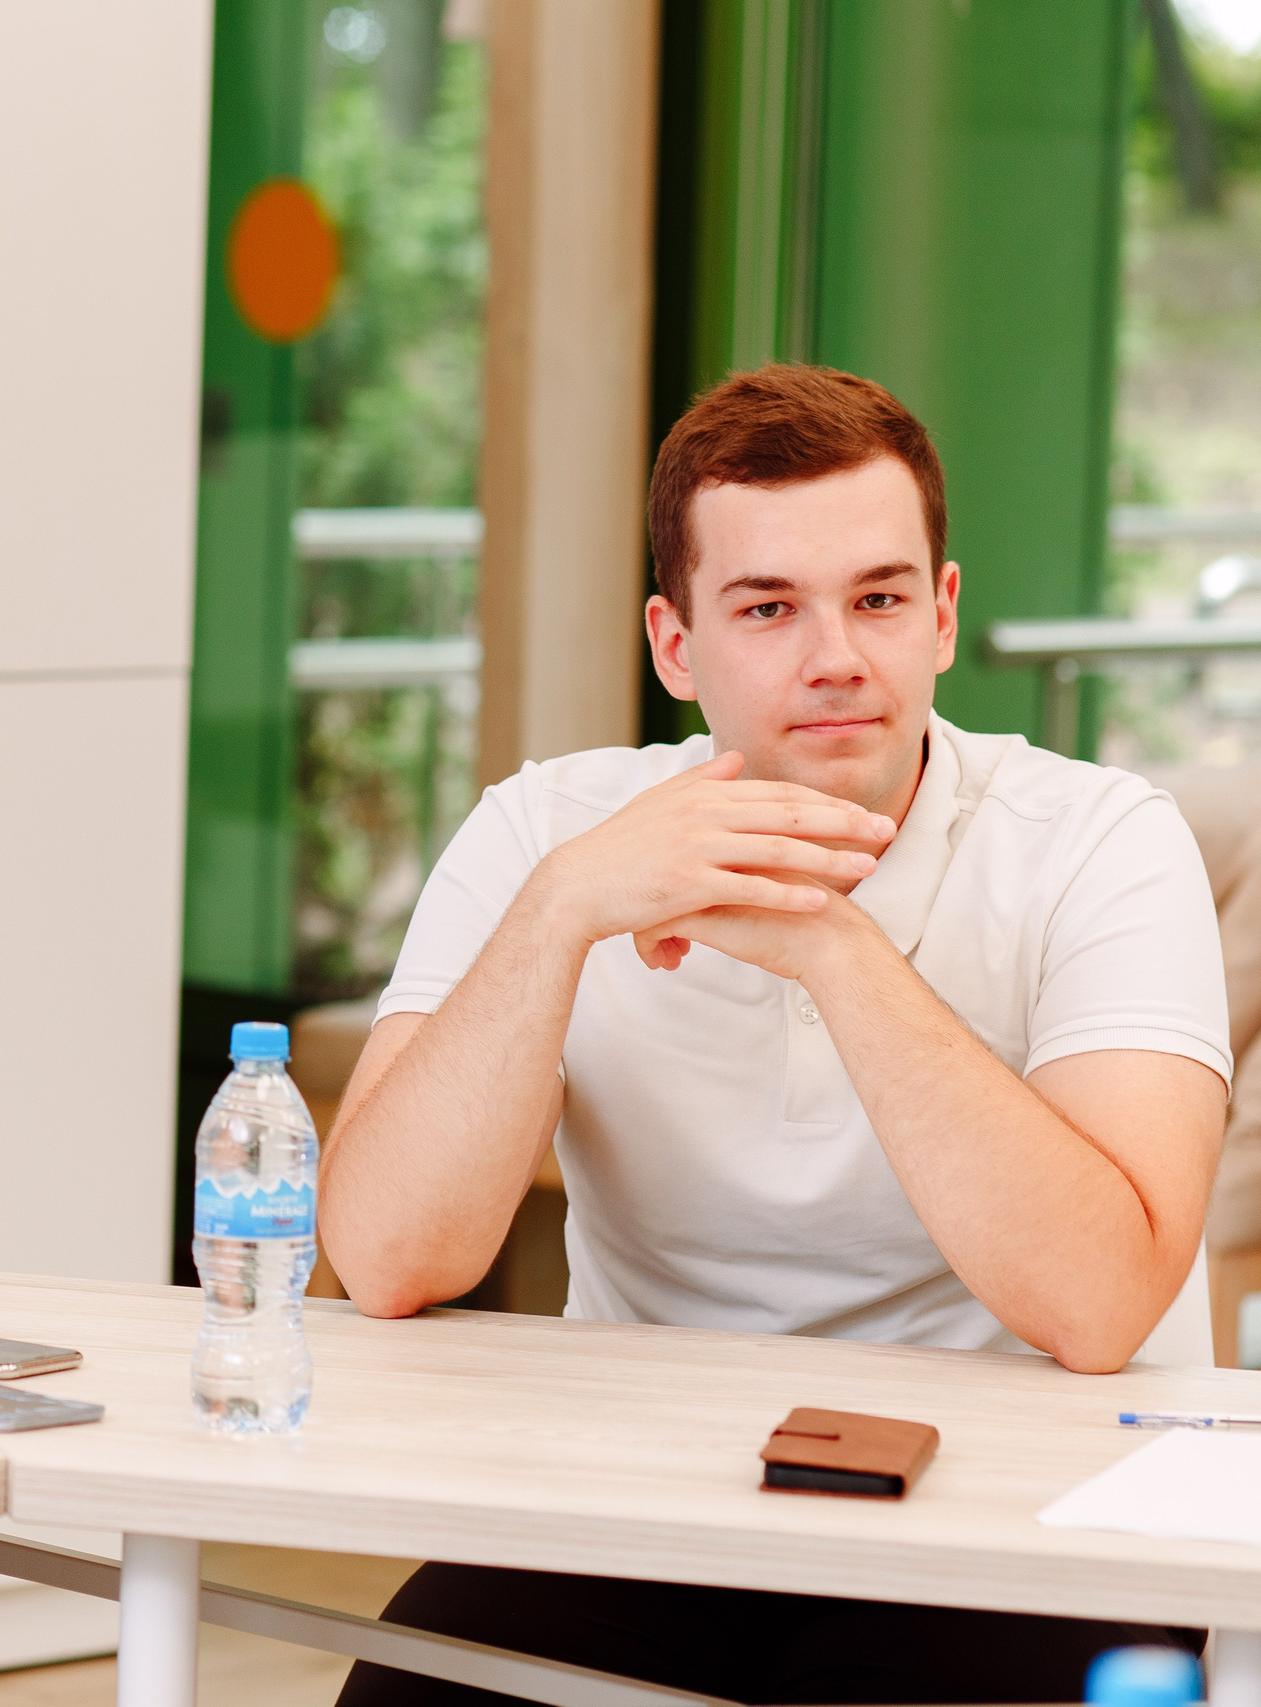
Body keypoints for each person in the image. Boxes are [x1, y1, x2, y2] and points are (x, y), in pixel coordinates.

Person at [321, 365, 1232, 1706]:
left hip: (1036, 1523)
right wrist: (562, 910)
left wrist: (822, 936)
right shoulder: (550, 832)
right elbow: (390, 1259)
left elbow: (1098, 1305)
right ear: (675, 645)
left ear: (943, 615)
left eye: (878, 598)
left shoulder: (1102, 842)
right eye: (767, 608)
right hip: (653, 1504)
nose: (837, 658)